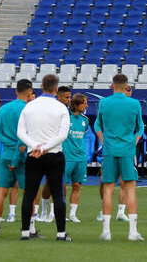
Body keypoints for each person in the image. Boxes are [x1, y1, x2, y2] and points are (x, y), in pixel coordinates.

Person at [17, 75, 72, 241]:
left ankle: (25, 232)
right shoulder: (61, 108)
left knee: (29, 194)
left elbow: (20, 132)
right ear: (56, 89)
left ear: (41, 86)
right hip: (54, 155)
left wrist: (35, 147)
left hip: (33, 155)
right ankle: (61, 233)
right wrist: (45, 148)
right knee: (57, 194)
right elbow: (63, 135)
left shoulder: (29, 106)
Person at [95, 73, 144, 241]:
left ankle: (106, 231)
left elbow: (97, 125)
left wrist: (103, 139)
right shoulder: (134, 103)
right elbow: (140, 128)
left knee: (108, 189)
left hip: (109, 150)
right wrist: (134, 142)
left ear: (113, 85)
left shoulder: (104, 102)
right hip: (127, 151)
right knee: (130, 188)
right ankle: (132, 232)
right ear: (126, 85)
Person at [0, 78, 35, 234]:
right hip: (21, 156)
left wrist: (7, 145)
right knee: (29, 193)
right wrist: (16, 158)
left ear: (16, 91)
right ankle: (30, 228)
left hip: (6, 154)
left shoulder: (3, 109)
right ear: (30, 91)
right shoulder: (28, 110)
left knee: (1, 191)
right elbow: (23, 138)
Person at [63, 92, 89, 222]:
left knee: (77, 185)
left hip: (81, 158)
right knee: (62, 185)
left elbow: (83, 136)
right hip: (67, 157)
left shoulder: (85, 120)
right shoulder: (66, 117)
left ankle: (73, 214)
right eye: (84, 103)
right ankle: (58, 212)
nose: (86, 105)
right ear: (77, 104)